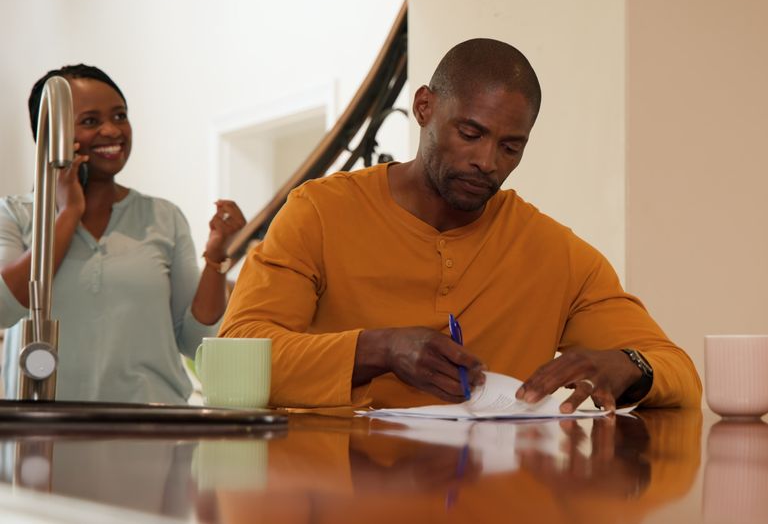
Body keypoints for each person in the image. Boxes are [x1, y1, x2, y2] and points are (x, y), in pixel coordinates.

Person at [221, 39, 701, 411]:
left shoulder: (553, 252)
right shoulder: (321, 211)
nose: (487, 162)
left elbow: (677, 370)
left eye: (511, 147)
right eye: (470, 134)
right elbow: (234, 356)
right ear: (425, 107)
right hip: (341, 493)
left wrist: (630, 366)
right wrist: (378, 348)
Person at [0, 64, 246, 404]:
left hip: (153, 433)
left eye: (120, 116)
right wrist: (68, 214)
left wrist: (217, 256)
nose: (112, 130)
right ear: (50, 137)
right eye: (90, 121)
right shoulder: (14, 213)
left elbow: (195, 341)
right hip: (45, 435)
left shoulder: (163, 217)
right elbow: (4, 309)